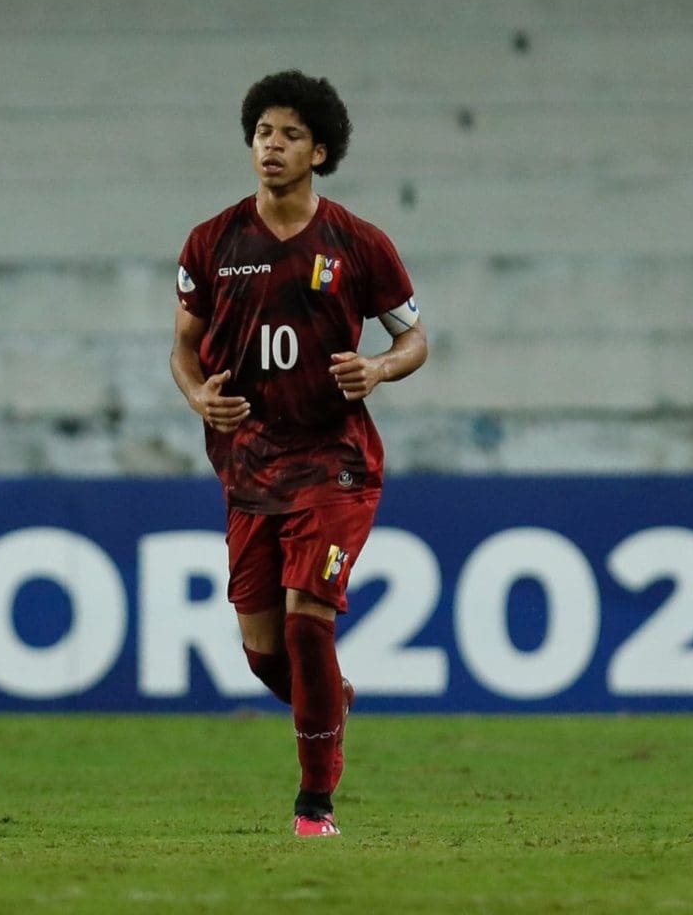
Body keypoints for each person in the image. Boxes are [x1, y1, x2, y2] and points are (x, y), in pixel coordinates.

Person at [170, 70, 427, 837]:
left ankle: (314, 802)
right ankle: (328, 700)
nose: (270, 146)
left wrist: (379, 366)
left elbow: (413, 337)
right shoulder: (212, 242)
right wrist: (195, 397)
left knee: (309, 621)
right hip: (248, 462)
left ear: (319, 150)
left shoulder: (359, 242)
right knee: (263, 654)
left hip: (333, 458)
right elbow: (183, 350)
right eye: (261, 133)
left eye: (287, 135)